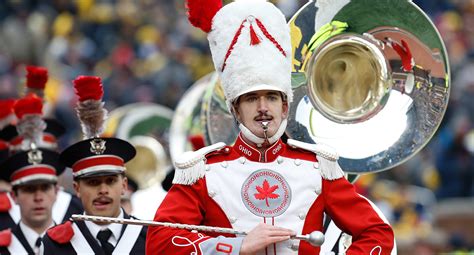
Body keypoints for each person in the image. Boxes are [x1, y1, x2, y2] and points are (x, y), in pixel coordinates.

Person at [146, 0, 395, 254]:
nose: (263, 107)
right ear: (235, 109)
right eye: (252, 98)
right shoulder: (202, 171)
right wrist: (235, 246)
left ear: (285, 107)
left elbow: (377, 233)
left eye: (272, 97)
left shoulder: (319, 167)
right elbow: (160, 243)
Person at [41, 76, 147, 254]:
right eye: (92, 182)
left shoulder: (149, 238)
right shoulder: (55, 244)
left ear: (124, 185)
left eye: (111, 180)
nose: (103, 190)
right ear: (77, 188)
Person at [0, 94, 65, 254]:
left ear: (56, 191)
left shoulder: (80, 245)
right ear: (13, 195)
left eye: (45, 188)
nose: (38, 197)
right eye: (29, 189)